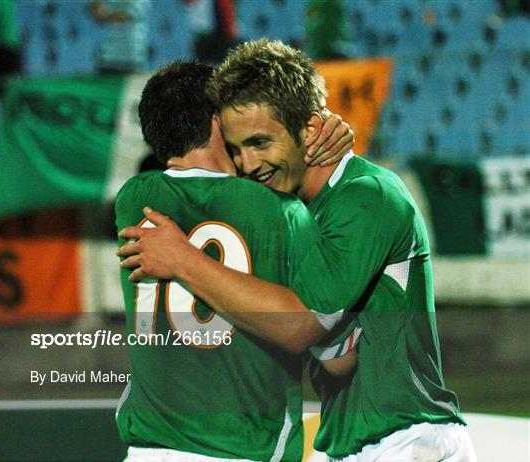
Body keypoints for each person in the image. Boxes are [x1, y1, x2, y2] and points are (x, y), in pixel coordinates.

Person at [118, 40, 476, 461]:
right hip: (354, 443)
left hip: (408, 439)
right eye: (235, 149)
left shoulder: (367, 197)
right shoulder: (287, 208)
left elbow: (299, 325)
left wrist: (182, 259)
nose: (248, 164)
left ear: (309, 129)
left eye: (260, 143)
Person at [115, 59, 353, 461]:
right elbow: (338, 361)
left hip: (148, 450)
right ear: (216, 121)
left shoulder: (134, 200)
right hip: (244, 447)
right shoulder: (282, 213)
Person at [89, 0, 150, 73]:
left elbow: (123, 16)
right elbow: (97, 15)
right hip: (108, 59)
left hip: (132, 60)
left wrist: (104, 14)